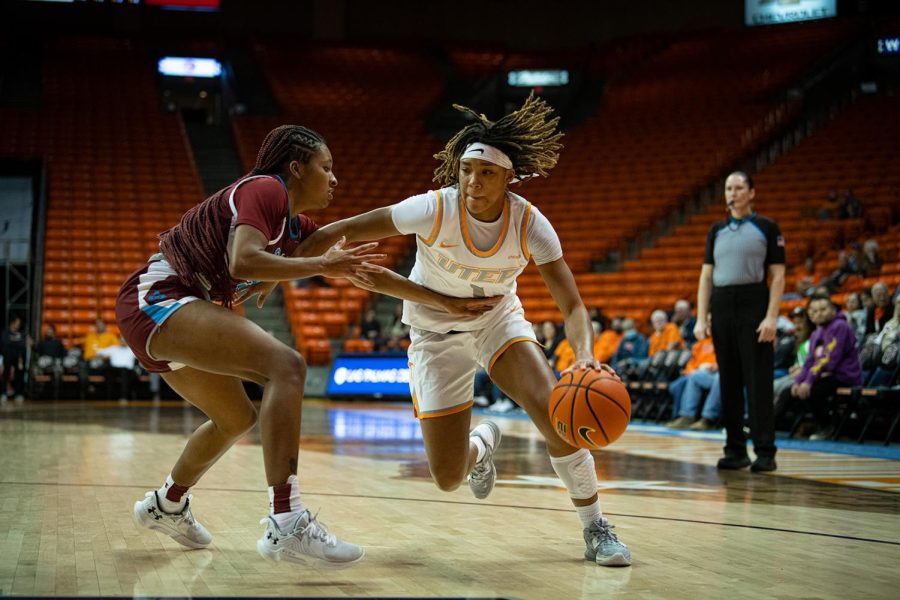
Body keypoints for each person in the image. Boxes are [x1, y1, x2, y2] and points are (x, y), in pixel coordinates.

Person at [260, 95, 631, 566]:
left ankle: (596, 527)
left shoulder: (529, 223)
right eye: (467, 169)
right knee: (448, 476)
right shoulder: (433, 209)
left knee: (554, 409)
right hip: (435, 331)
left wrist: (582, 355)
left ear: (508, 178)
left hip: (497, 322)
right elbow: (346, 229)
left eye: (487, 173)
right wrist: (281, 268)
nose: (474, 181)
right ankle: (482, 444)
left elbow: (574, 305)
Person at [117, 125, 493, 565]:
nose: (335, 178)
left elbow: (363, 271)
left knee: (236, 417)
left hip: (171, 308)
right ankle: (287, 521)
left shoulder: (295, 226)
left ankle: (168, 503)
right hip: (158, 298)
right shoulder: (264, 189)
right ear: (296, 168)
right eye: (326, 167)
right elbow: (243, 259)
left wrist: (444, 301)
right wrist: (315, 265)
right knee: (286, 366)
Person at [694, 171, 785, 473]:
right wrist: (701, 317)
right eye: (728, 188)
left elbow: (778, 275)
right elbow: (706, 275)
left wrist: (771, 316)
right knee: (728, 381)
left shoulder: (766, 228)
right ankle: (735, 450)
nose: (732, 193)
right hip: (721, 305)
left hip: (753, 303)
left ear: (751, 193)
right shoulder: (716, 230)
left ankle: (765, 451)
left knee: (758, 381)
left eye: (738, 187)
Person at [775, 294, 862, 440]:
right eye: (814, 311)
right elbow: (809, 362)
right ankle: (766, 429)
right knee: (789, 391)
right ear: (809, 314)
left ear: (833, 309)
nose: (818, 313)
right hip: (825, 375)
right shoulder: (816, 333)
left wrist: (808, 382)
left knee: (813, 391)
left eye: (823, 309)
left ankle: (827, 427)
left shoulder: (840, 326)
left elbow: (828, 361)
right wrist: (798, 382)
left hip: (845, 376)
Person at [1, 315, 28, 401]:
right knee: (5, 375)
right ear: (12, 323)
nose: (18, 325)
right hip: (8, 357)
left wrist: (15, 342)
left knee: (19, 376)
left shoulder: (21, 334)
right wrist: (16, 342)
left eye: (19, 323)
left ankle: (18, 393)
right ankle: (3, 393)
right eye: (17, 323)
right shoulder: (5, 333)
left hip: (19, 358)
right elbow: (5, 343)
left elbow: (23, 344)